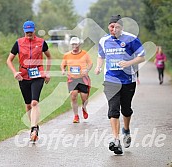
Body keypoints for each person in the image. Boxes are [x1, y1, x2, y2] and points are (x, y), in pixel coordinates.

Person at [95, 15, 145, 154]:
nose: (114, 29)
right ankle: (116, 140)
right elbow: (101, 55)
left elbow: (142, 56)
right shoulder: (104, 40)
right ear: (108, 27)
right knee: (113, 109)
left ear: (121, 28)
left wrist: (129, 63)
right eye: (112, 26)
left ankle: (126, 131)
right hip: (111, 80)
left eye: (117, 27)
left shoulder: (131, 39)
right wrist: (98, 67)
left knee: (126, 109)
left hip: (128, 80)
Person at [6, 20, 52, 142]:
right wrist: (15, 72)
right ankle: (34, 125)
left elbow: (49, 56)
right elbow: (9, 60)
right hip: (23, 76)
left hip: (38, 75)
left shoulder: (41, 43)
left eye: (31, 32)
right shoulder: (19, 43)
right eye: (27, 32)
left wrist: (47, 72)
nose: (29, 34)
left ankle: (33, 129)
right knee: (28, 105)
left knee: (34, 103)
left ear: (34, 30)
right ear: (24, 31)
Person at [61, 37, 93, 123]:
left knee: (84, 98)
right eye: (73, 44)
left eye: (76, 44)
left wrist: (87, 70)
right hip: (72, 78)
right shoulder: (67, 55)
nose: (74, 46)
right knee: (73, 96)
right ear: (71, 45)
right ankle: (76, 116)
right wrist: (63, 70)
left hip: (83, 78)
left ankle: (84, 107)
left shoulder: (84, 54)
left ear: (79, 44)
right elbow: (63, 64)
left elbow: (90, 63)